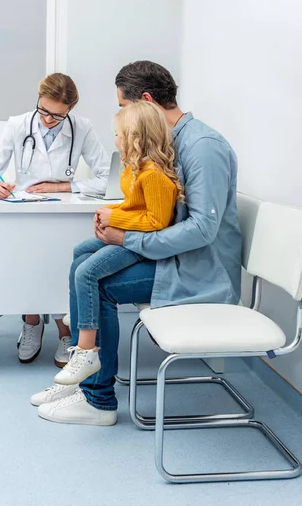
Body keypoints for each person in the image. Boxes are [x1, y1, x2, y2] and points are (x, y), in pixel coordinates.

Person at [32, 61, 242, 425]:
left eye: (123, 108)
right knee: (83, 254)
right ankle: (84, 374)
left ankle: (98, 401)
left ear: (146, 101)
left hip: (199, 271)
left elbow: (202, 231)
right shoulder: (167, 142)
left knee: (99, 283)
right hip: (175, 258)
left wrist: (127, 236)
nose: (122, 120)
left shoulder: (203, 147)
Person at [0, 72, 110, 367]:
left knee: (63, 264)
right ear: (38, 99)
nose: (48, 119)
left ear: (70, 110)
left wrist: (61, 186)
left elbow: (106, 178)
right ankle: (32, 322)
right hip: (26, 208)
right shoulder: (17, 125)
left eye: (57, 116)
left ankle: (64, 329)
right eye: (43, 110)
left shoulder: (82, 129)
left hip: (64, 209)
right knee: (29, 260)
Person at [53, 101, 184, 386]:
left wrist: (117, 220)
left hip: (141, 246)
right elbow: (133, 206)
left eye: (118, 134)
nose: (114, 140)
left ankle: (87, 352)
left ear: (136, 137)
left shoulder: (154, 176)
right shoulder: (133, 170)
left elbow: (157, 222)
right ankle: (81, 311)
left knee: (87, 272)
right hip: (131, 236)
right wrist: (109, 214)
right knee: (80, 251)